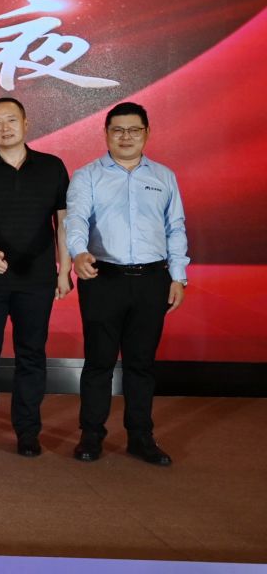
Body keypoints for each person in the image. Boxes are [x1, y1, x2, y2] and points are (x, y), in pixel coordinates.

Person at [65, 101, 188, 466]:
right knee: (99, 362)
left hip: (152, 280)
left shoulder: (164, 177)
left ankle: (140, 437)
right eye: (117, 130)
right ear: (106, 134)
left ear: (146, 133)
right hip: (103, 278)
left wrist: (178, 276)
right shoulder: (87, 176)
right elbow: (76, 219)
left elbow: (175, 227)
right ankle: (91, 435)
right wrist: (78, 253)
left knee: (141, 364)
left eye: (134, 130)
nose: (126, 137)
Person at [0, 97, 71, 457]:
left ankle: (27, 431)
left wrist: (65, 268)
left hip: (37, 278)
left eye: (11, 120)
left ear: (25, 123)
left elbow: (63, 222)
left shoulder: (52, 167)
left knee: (31, 355)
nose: (5, 128)